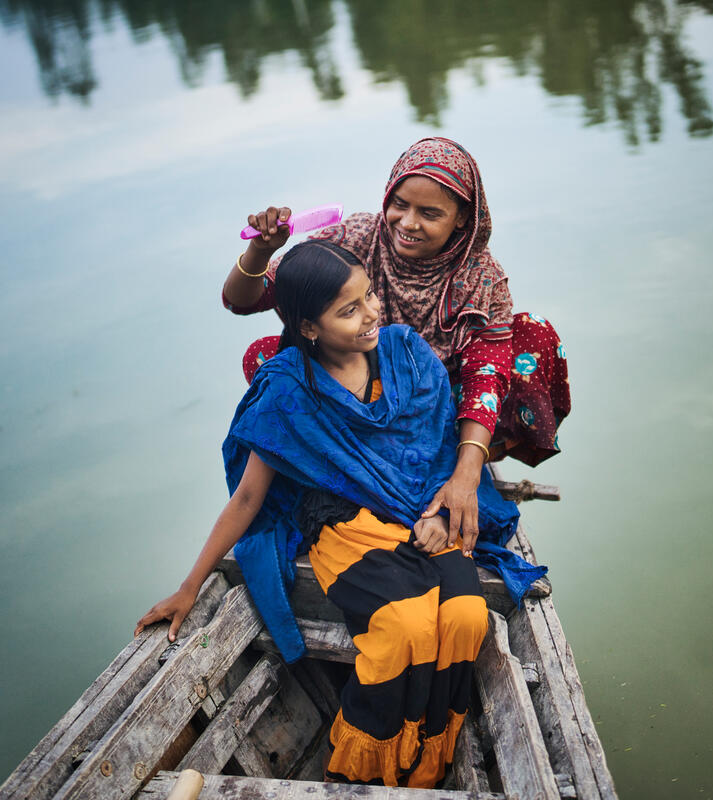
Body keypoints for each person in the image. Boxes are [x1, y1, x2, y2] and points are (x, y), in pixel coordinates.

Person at [137, 240, 545, 787]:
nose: (372, 313)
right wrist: (190, 586)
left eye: (369, 296)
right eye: (348, 310)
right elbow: (249, 499)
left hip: (425, 515)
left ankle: (423, 764)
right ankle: (361, 768)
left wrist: (441, 515)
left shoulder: (406, 353)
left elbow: (437, 451)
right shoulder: (288, 389)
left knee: (468, 619)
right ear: (309, 327)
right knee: (404, 627)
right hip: (344, 523)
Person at [223, 137, 570, 559]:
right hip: (361, 396)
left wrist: (465, 476)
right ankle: (346, 458)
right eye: (400, 204)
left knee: (532, 335)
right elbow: (243, 301)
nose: (407, 222)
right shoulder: (358, 236)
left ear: (462, 219)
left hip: (438, 405)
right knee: (267, 360)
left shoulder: (483, 277)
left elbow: (486, 378)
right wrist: (260, 249)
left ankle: (457, 455)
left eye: (430, 213)